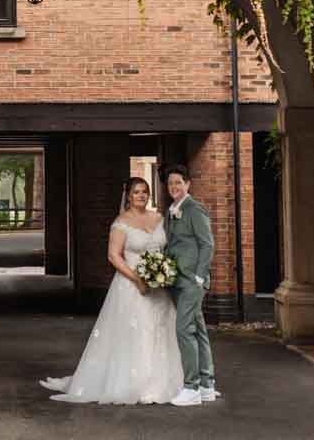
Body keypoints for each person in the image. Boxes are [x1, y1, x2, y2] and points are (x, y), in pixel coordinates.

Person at [39, 177, 184, 404]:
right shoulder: (121, 222)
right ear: (128, 195)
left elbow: (168, 248)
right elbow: (113, 256)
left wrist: (163, 272)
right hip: (131, 283)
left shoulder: (158, 218)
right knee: (136, 331)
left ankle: (161, 382)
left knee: (161, 328)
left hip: (158, 285)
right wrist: (137, 279)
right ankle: (134, 382)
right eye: (136, 192)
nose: (141, 196)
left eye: (145, 192)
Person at [163, 163, 217, 406]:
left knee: (184, 329)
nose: (174, 186)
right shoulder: (171, 210)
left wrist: (199, 275)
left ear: (188, 184)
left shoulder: (195, 209)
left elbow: (207, 244)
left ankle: (191, 387)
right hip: (176, 278)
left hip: (192, 280)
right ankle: (207, 384)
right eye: (170, 183)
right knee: (198, 328)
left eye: (178, 182)